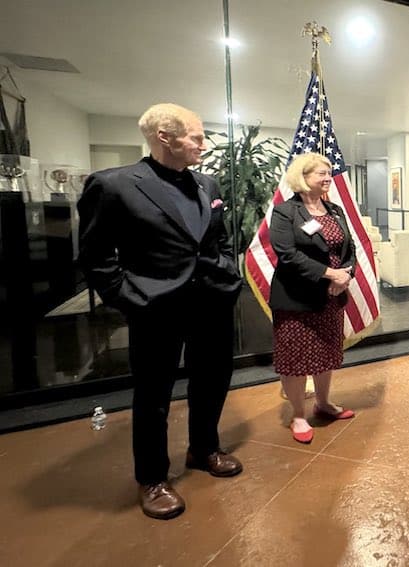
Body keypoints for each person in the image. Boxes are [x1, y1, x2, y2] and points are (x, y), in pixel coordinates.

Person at [77, 103, 243, 520]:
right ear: (164, 137)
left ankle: (203, 449)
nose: (203, 144)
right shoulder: (113, 185)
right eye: (196, 137)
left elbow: (219, 239)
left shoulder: (208, 182)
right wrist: (130, 299)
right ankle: (152, 478)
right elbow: (96, 257)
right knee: (153, 397)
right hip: (156, 307)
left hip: (211, 301)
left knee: (212, 380)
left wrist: (226, 269)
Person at [268, 152, 356, 444]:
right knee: (295, 359)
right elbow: (287, 255)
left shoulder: (335, 210)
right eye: (321, 172)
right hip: (296, 298)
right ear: (302, 177)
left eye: (328, 172)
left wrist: (346, 276)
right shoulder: (285, 212)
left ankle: (323, 403)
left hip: (332, 297)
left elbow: (350, 249)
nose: (328, 177)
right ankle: (298, 414)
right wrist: (330, 274)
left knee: (326, 353)